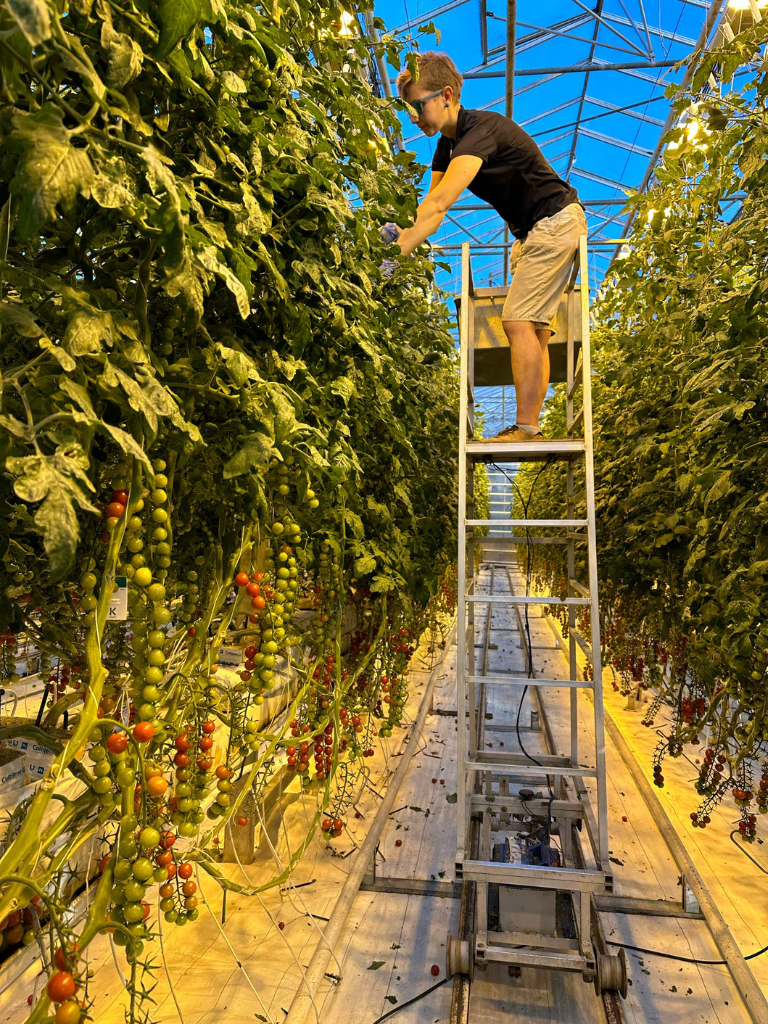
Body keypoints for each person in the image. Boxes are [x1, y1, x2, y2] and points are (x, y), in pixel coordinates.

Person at [383, 52, 587, 442]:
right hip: (531, 232)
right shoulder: (447, 145)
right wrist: (406, 231)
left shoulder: (480, 130)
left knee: (517, 322)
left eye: (417, 105)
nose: (413, 116)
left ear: (445, 95)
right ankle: (533, 426)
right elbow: (432, 205)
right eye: (408, 108)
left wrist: (396, 255)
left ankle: (527, 428)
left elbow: (442, 204)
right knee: (536, 330)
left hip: (555, 221)